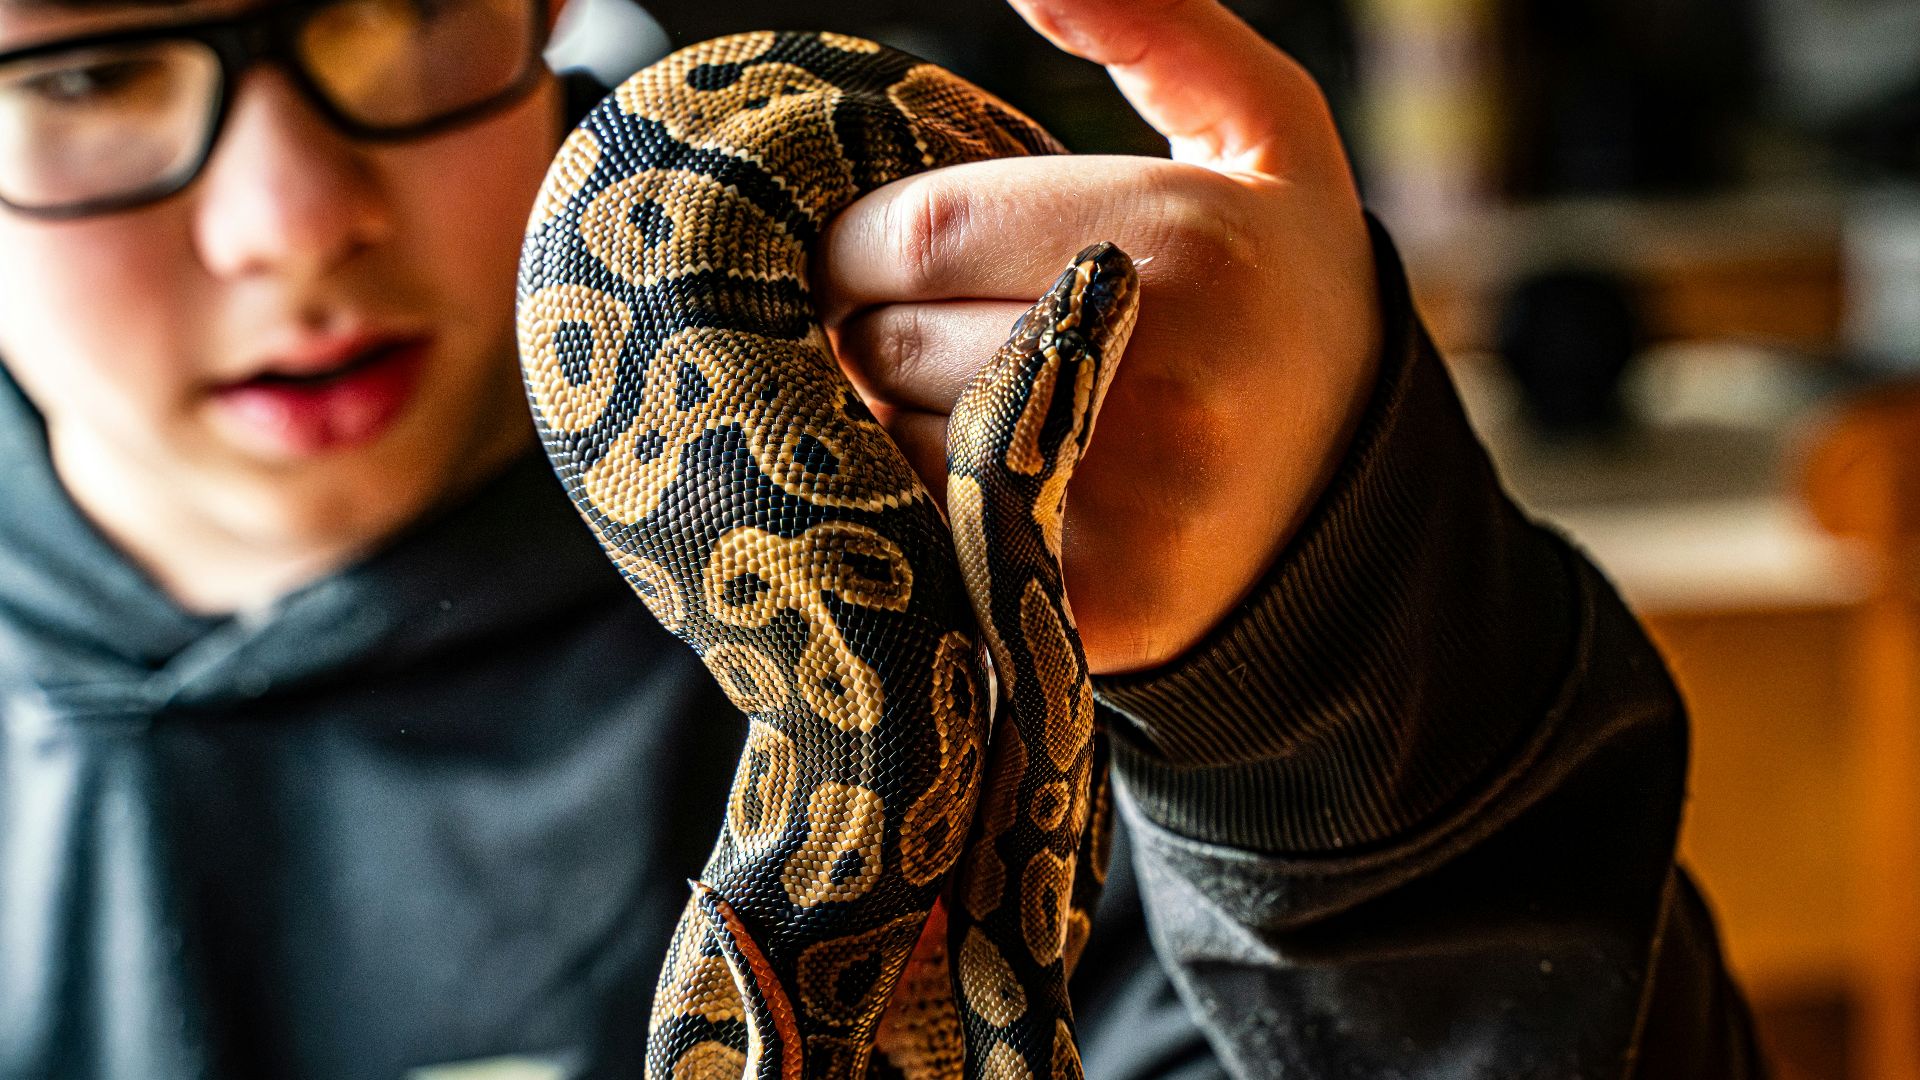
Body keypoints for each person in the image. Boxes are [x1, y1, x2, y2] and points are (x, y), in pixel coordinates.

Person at [0, 0, 1762, 1074]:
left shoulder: (1107, 594)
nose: (294, 222)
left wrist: (1324, 637)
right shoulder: (971, 691)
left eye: (396, 7)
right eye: (82, 74)